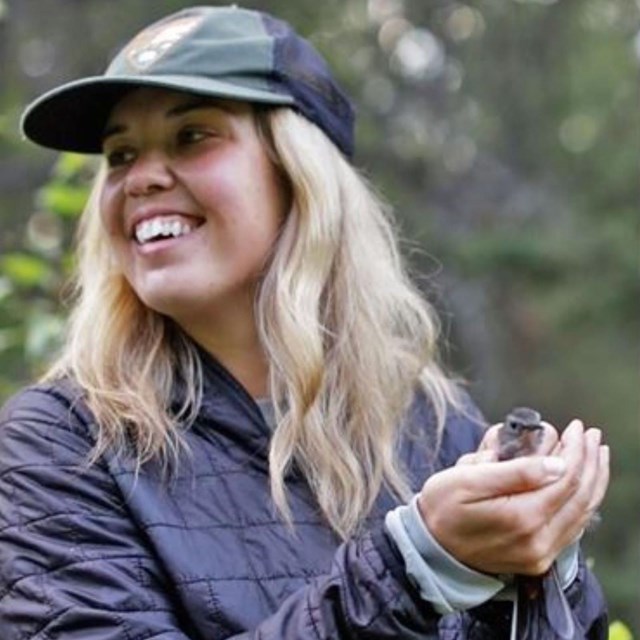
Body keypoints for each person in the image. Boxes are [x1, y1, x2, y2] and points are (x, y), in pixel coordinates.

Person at [0, 6, 609, 639]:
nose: (142, 178)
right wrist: (414, 570)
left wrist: (544, 566)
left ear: (299, 178)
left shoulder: (432, 426)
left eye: (193, 136)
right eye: (121, 153)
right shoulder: (63, 446)